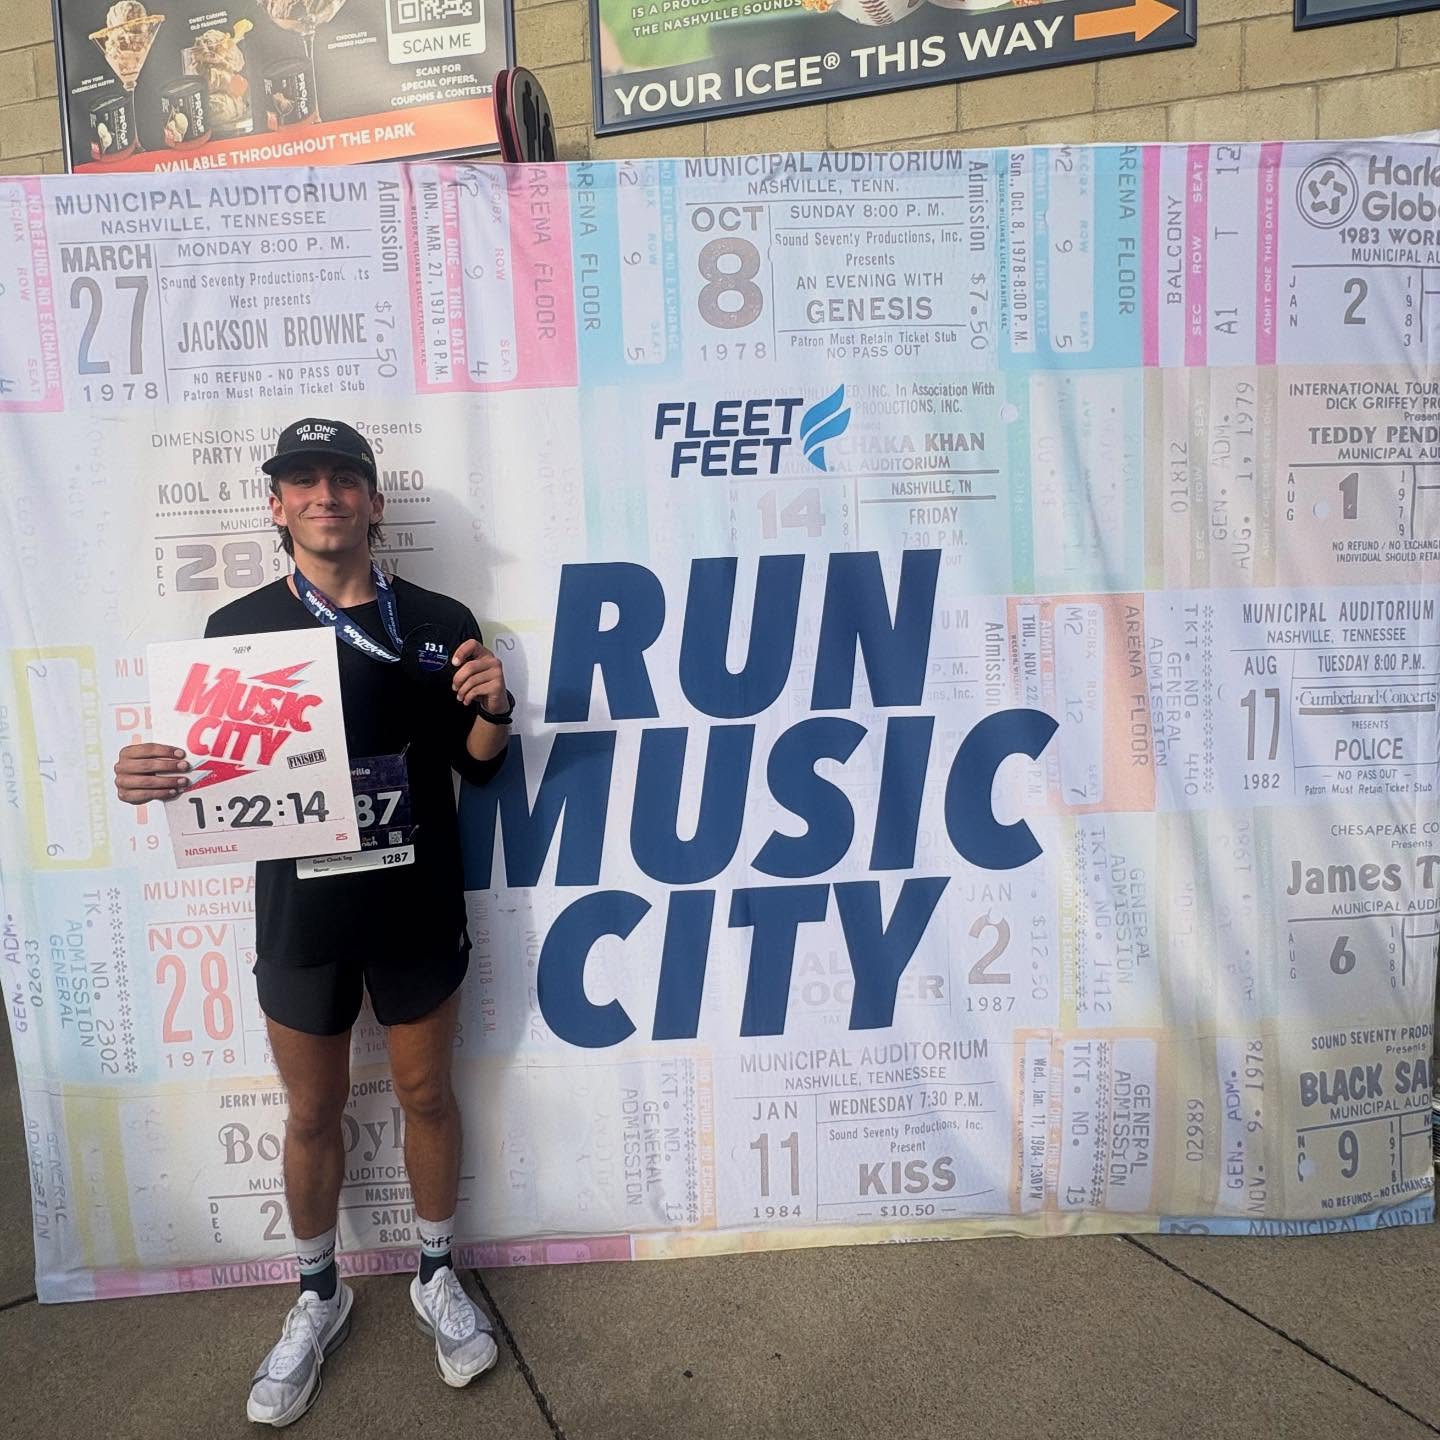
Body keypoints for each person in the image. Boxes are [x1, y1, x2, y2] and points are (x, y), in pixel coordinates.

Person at [114, 418, 513, 1427]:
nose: (326, 493)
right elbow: (208, 778)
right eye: (305, 480)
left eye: (346, 478)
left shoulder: (436, 615)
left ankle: (432, 1272)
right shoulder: (235, 631)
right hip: (301, 909)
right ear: (277, 505)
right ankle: (316, 1294)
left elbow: (476, 767)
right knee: (310, 1113)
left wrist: (493, 706)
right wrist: (150, 776)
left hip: (416, 899)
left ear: (375, 503)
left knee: (427, 1094)